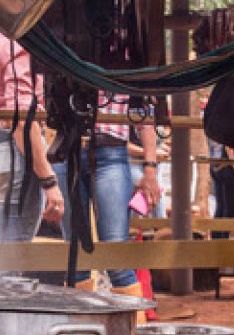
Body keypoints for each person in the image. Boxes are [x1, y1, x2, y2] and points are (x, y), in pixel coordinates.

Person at [0, 16, 63, 258]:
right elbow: (22, 120)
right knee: (7, 265)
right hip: (5, 151)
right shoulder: (13, 44)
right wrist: (49, 182)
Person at [53, 96, 161, 305]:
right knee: (75, 259)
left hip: (110, 151)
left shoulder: (125, 63)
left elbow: (145, 115)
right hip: (67, 150)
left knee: (116, 257)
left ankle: (131, 333)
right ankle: (79, 333)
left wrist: (150, 168)